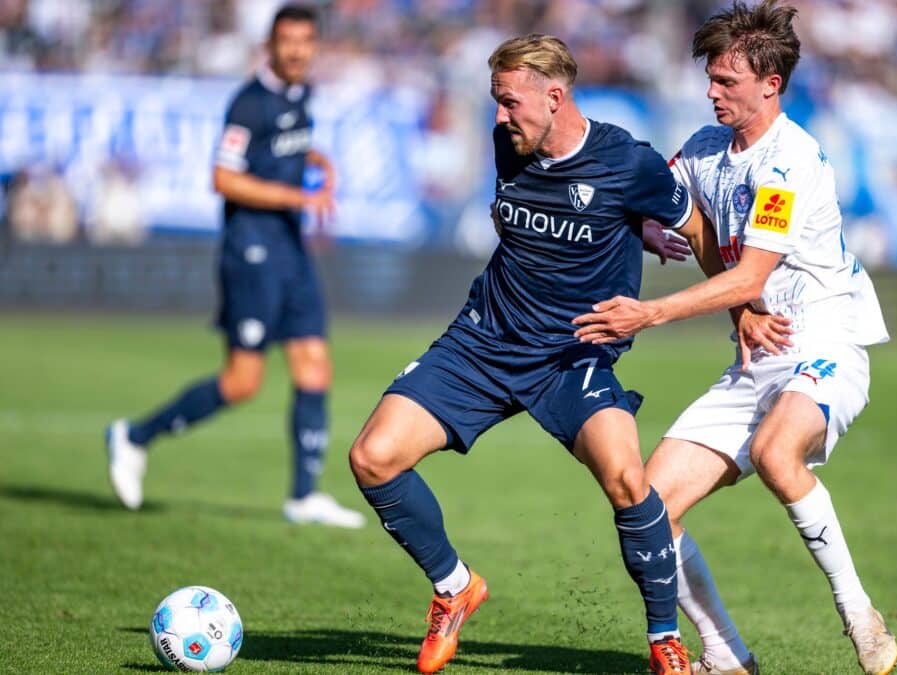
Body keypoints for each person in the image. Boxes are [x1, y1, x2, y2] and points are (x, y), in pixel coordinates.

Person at [347, 33, 724, 675]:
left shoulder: (630, 163)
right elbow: (542, 213)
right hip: (483, 342)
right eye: (496, 102)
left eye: (508, 102)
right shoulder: (509, 144)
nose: (498, 116)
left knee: (630, 482)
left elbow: (701, 234)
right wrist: (632, 226)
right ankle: (454, 587)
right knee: (372, 458)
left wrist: (740, 312)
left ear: (555, 96)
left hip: (571, 358)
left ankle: (665, 639)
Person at [572, 2, 897, 674]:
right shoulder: (701, 149)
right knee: (646, 508)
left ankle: (859, 613)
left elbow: (751, 271)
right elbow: (656, 206)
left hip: (824, 340)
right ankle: (725, 654)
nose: (712, 91)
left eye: (726, 82)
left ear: (769, 86)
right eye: (712, 78)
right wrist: (644, 226)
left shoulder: (790, 162)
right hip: (757, 352)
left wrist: (648, 313)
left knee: (777, 453)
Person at [105, 4, 364, 529]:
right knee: (243, 381)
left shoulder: (301, 94)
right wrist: (297, 196)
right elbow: (223, 179)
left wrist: (319, 162)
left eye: (304, 41)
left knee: (315, 364)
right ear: (269, 44)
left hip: (290, 247)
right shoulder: (247, 103)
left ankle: (304, 495)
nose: (296, 50)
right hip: (251, 250)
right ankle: (135, 436)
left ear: (314, 46)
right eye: (286, 40)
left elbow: (289, 147)